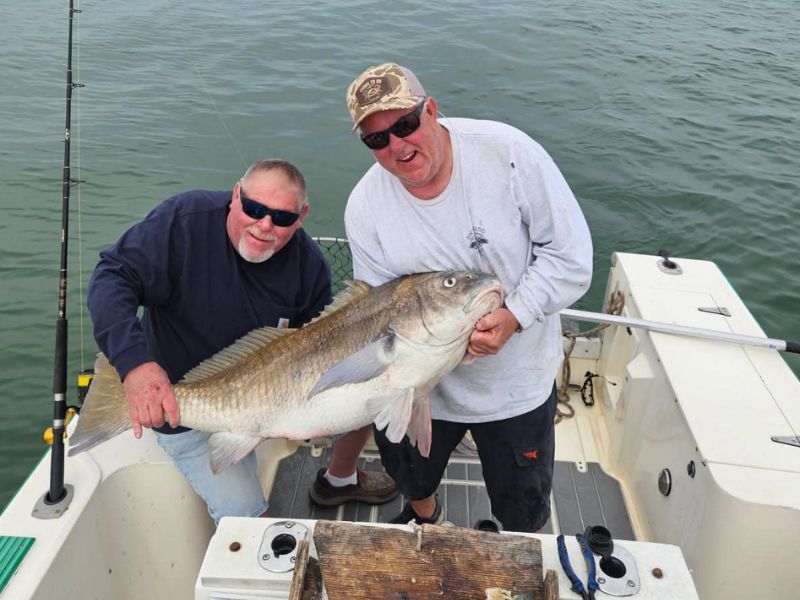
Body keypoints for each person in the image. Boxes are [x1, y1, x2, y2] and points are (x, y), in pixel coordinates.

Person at [344, 64, 593, 532]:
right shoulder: (365, 206)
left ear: (431, 110)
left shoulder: (510, 155)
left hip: (516, 388)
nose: (398, 145)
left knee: (523, 503)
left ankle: (515, 543)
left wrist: (515, 315)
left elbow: (572, 256)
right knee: (411, 474)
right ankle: (426, 516)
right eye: (377, 140)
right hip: (422, 389)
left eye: (405, 124)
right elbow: (376, 313)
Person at [87, 159, 397, 523]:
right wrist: (134, 365)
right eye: (254, 208)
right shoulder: (184, 220)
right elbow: (113, 276)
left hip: (271, 400)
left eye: (282, 218)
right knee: (248, 520)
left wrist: (281, 414)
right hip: (182, 409)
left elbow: (318, 348)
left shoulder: (309, 267)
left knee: (371, 390)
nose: (264, 225)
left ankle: (340, 479)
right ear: (236, 194)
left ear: (302, 216)